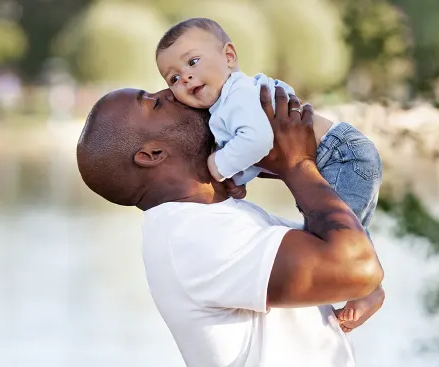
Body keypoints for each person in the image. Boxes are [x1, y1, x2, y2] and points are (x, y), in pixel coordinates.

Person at [76, 85, 384, 366]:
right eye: (154, 103)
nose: (170, 91)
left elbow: (336, 253)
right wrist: (295, 165)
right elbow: (357, 268)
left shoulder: (210, 219)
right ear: (152, 154)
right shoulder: (191, 237)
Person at [155, 17, 384, 327]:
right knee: (348, 226)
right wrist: (240, 177)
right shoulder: (232, 99)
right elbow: (259, 147)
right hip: (342, 152)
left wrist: (218, 167)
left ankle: (367, 288)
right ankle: (368, 288)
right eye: (173, 78)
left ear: (229, 57)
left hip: (339, 156)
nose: (186, 77)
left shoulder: (235, 96)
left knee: (329, 238)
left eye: (193, 62)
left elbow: (258, 141)